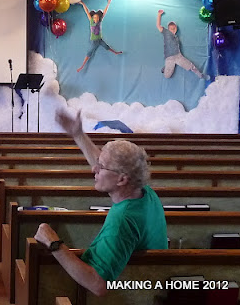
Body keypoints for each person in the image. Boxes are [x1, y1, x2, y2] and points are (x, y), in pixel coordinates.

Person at [33, 108, 167, 297]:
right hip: (151, 288)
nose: (94, 169)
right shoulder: (143, 191)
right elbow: (109, 167)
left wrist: (53, 242)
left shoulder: (122, 220)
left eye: (101, 167)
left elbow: (98, 285)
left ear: (122, 179)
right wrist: (78, 135)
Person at [156, 9, 208, 80]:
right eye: (171, 28)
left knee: (191, 66)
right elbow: (158, 26)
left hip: (178, 56)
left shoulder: (176, 37)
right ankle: (165, 68)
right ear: (168, 29)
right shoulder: (166, 32)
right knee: (167, 76)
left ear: (176, 29)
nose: (173, 29)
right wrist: (159, 15)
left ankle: (200, 75)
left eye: (174, 28)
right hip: (169, 58)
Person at [77, 0, 122, 72]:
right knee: (89, 53)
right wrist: (83, 3)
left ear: (99, 18)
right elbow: (87, 11)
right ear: (92, 18)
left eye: (97, 18)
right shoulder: (91, 21)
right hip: (94, 41)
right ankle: (82, 66)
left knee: (107, 47)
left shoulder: (100, 21)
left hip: (100, 39)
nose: (96, 19)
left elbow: (104, 12)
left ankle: (115, 52)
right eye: (94, 18)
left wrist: (108, 3)